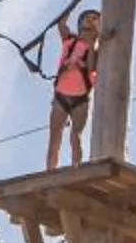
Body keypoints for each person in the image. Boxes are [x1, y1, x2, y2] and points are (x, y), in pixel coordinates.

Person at [43, 10, 100, 170]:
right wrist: (73, 4)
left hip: (80, 98)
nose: (90, 21)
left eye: (95, 19)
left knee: (76, 135)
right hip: (61, 95)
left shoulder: (96, 52)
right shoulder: (70, 40)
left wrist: (94, 42)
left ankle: (76, 169)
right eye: (87, 19)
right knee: (55, 137)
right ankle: (50, 172)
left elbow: (92, 72)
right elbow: (61, 24)